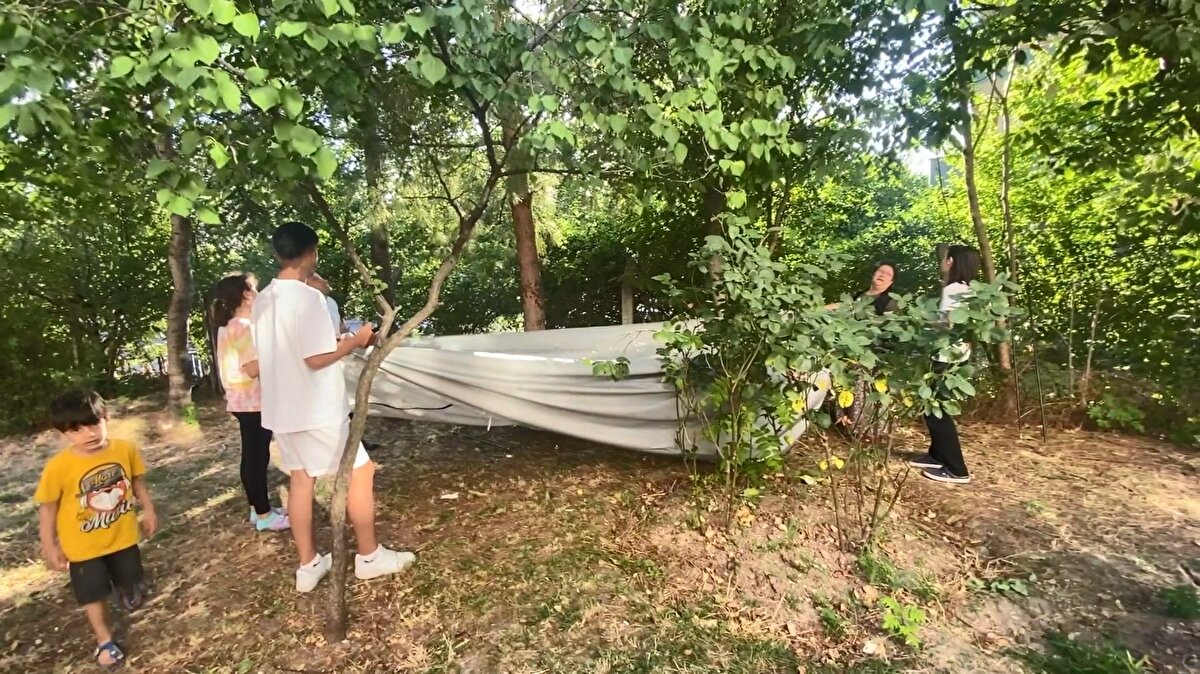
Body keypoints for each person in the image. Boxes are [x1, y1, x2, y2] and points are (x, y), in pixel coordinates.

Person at [252, 221, 414, 593]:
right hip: (314, 408)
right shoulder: (307, 299)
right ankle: (369, 556)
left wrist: (342, 341)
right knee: (361, 471)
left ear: (278, 254)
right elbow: (315, 358)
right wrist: (357, 341)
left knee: (300, 479)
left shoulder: (263, 299)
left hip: (281, 408)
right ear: (311, 253)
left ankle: (308, 564)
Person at [35, 390, 158, 667]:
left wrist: (149, 510)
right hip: (83, 549)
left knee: (130, 575)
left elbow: (137, 482)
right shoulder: (58, 468)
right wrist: (49, 545)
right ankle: (104, 640)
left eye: (94, 424)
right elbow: (48, 509)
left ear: (106, 418)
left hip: (123, 537)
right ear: (63, 433)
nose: (89, 434)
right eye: (76, 430)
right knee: (93, 593)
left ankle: (128, 589)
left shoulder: (125, 449)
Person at [212, 272, 291, 532]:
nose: (259, 294)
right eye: (255, 289)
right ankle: (265, 515)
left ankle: (257, 509)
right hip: (252, 401)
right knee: (256, 458)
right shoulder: (243, 327)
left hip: (243, 401)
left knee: (253, 455)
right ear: (246, 294)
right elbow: (253, 368)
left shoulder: (230, 326)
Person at [909, 245, 980, 484]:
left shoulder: (952, 289)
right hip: (959, 356)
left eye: (945, 258)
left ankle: (956, 469)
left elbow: (947, 325)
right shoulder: (970, 290)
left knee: (937, 410)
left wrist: (920, 322)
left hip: (945, 356)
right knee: (934, 408)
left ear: (950, 262)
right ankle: (936, 455)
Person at [832, 262, 899, 439]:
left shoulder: (890, 302)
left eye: (887, 274)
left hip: (874, 352)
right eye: (880, 271)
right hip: (849, 348)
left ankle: (867, 431)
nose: (882, 275)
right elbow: (841, 307)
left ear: (891, 282)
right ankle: (846, 426)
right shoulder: (859, 296)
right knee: (846, 385)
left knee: (866, 390)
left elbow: (891, 328)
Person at [306, 272, 346, 337]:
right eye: (316, 279)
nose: (325, 281)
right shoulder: (303, 307)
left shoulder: (331, 301)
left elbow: (338, 329)